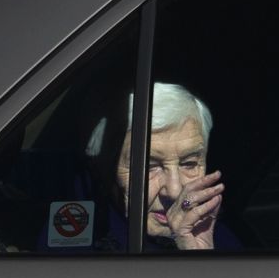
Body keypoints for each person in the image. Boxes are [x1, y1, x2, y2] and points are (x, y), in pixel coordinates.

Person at [84, 82, 236, 251]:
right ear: (105, 169)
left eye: (189, 164)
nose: (174, 192)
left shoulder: (219, 240)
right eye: (148, 166)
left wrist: (197, 256)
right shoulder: (79, 244)